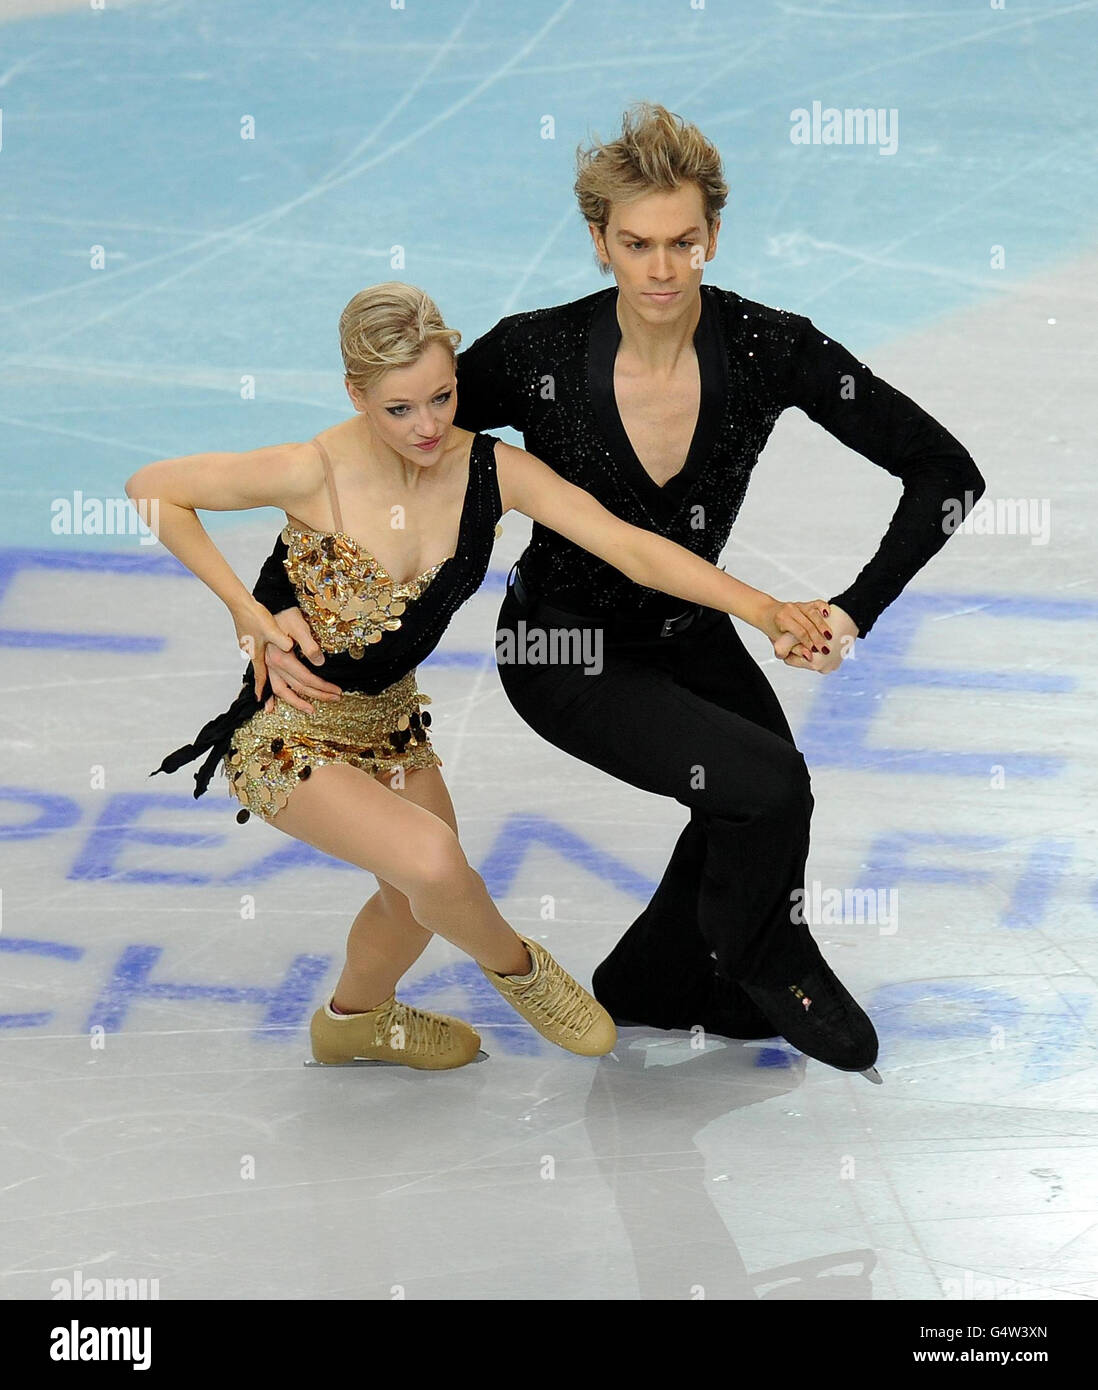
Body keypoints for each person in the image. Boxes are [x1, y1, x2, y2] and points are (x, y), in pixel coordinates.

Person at [251, 105, 986, 1084]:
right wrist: (278, 607)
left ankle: (656, 978)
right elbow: (381, 451)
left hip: (687, 630)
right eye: (636, 243)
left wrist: (849, 608)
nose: (661, 268)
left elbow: (944, 471)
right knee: (767, 788)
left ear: (712, 235)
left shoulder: (771, 347)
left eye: (683, 241)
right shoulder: (535, 353)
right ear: (600, 242)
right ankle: (764, 958)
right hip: (564, 649)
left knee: (758, 792)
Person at [128, 281, 835, 1074]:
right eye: (400, 409)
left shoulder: (493, 470)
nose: (429, 426)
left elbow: (629, 545)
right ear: (356, 395)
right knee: (435, 866)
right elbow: (152, 491)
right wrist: (246, 614)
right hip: (289, 728)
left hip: (392, 724)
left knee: (417, 902)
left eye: (442, 396)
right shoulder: (309, 470)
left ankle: (352, 1022)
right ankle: (522, 971)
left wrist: (764, 608)